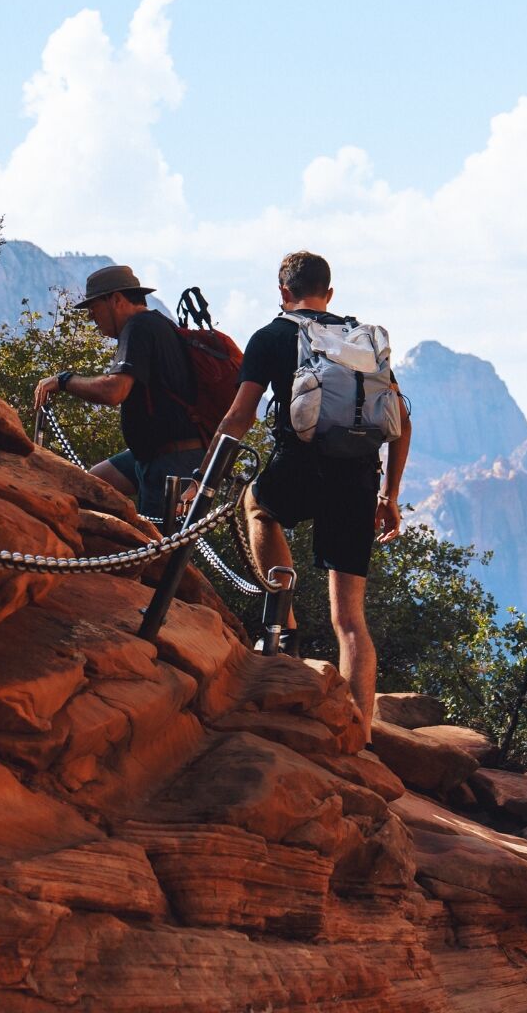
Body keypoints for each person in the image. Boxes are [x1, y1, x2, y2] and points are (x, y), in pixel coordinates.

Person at [214, 251, 410, 730]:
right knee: (350, 621)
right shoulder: (363, 340)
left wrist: (205, 476)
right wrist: (390, 496)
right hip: (359, 478)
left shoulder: (272, 335)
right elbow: (401, 422)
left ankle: (285, 621)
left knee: (258, 506)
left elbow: (240, 416)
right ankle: (362, 735)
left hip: (301, 466)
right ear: (330, 292)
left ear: (284, 293)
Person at [34, 265, 205, 525]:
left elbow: (114, 391)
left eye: (94, 308)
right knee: (91, 485)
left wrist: (64, 381)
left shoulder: (138, 327)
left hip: (170, 465)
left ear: (116, 299)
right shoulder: (158, 324)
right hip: (152, 457)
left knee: (159, 556)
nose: (92, 317)